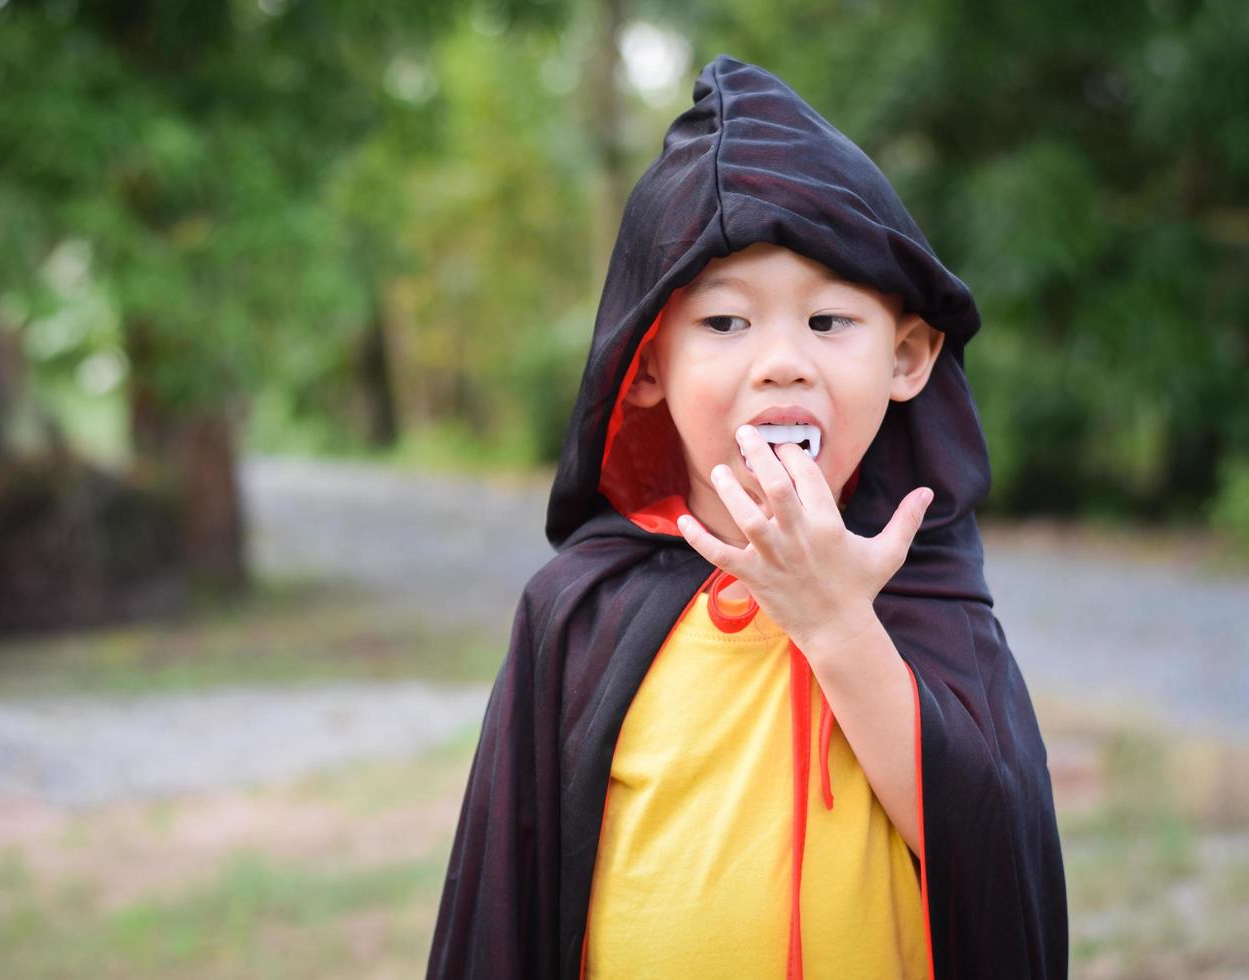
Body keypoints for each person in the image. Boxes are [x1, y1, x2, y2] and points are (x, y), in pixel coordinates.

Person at [426, 54, 1067, 980]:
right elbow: (504, 910)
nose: (781, 363)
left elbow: (991, 862)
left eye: (829, 321)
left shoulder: (924, 595)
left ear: (909, 356)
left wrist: (837, 622)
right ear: (645, 366)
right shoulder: (578, 613)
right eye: (725, 323)